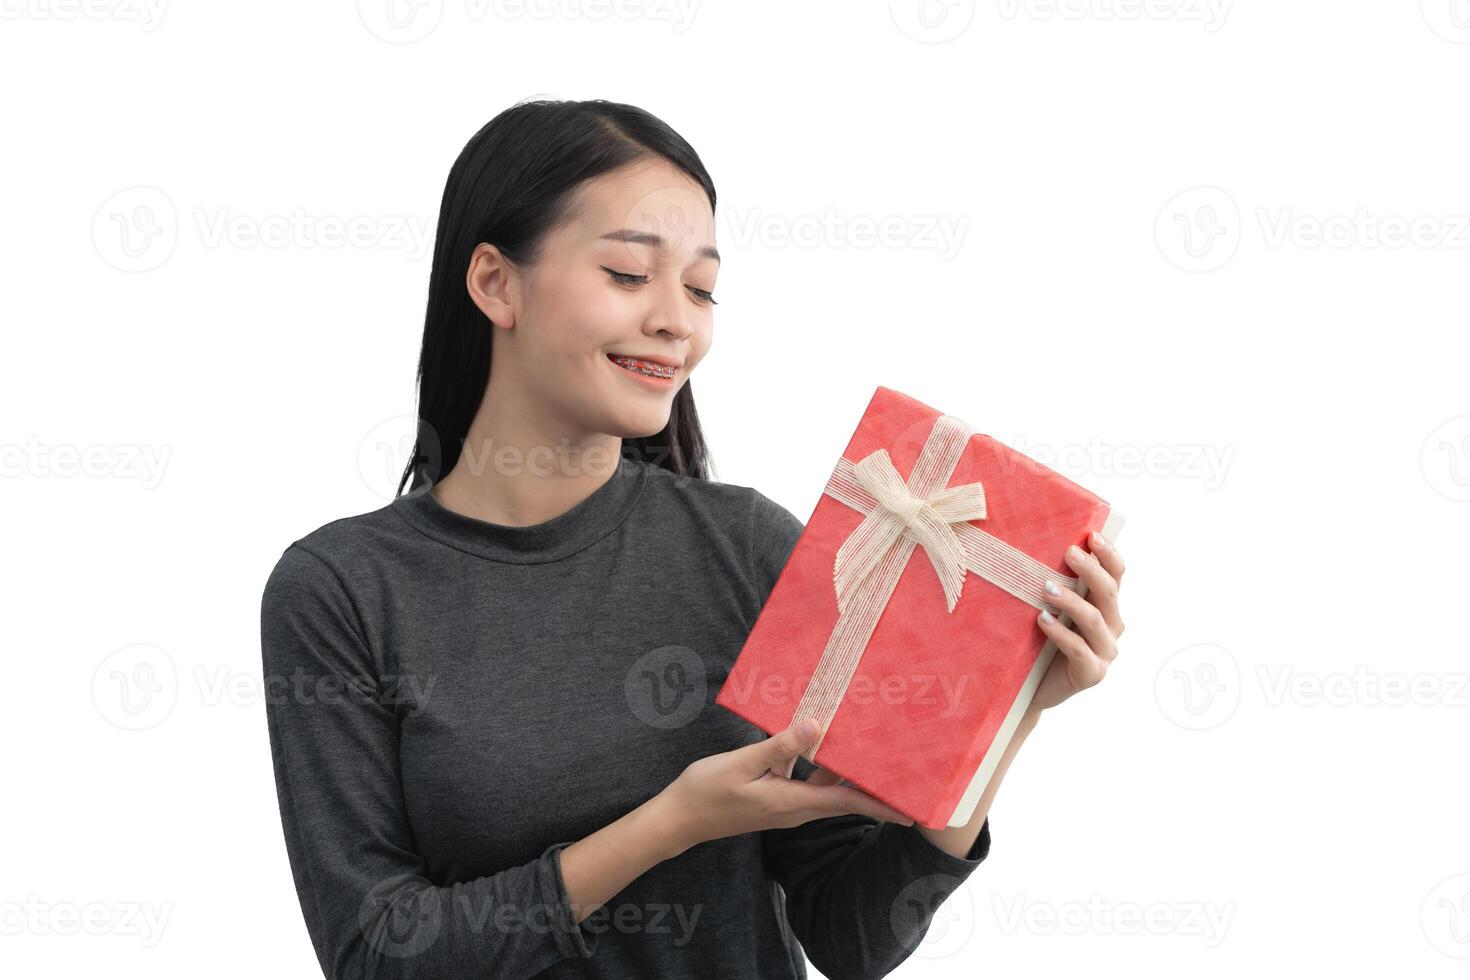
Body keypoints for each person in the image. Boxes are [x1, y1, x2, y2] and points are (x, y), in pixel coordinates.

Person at [259, 98, 1127, 980]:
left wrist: (1008, 710)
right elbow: (376, 955)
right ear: (494, 283)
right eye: (631, 275)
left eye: (703, 288)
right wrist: (670, 824)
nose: (679, 322)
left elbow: (852, 936)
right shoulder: (341, 590)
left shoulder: (746, 546)